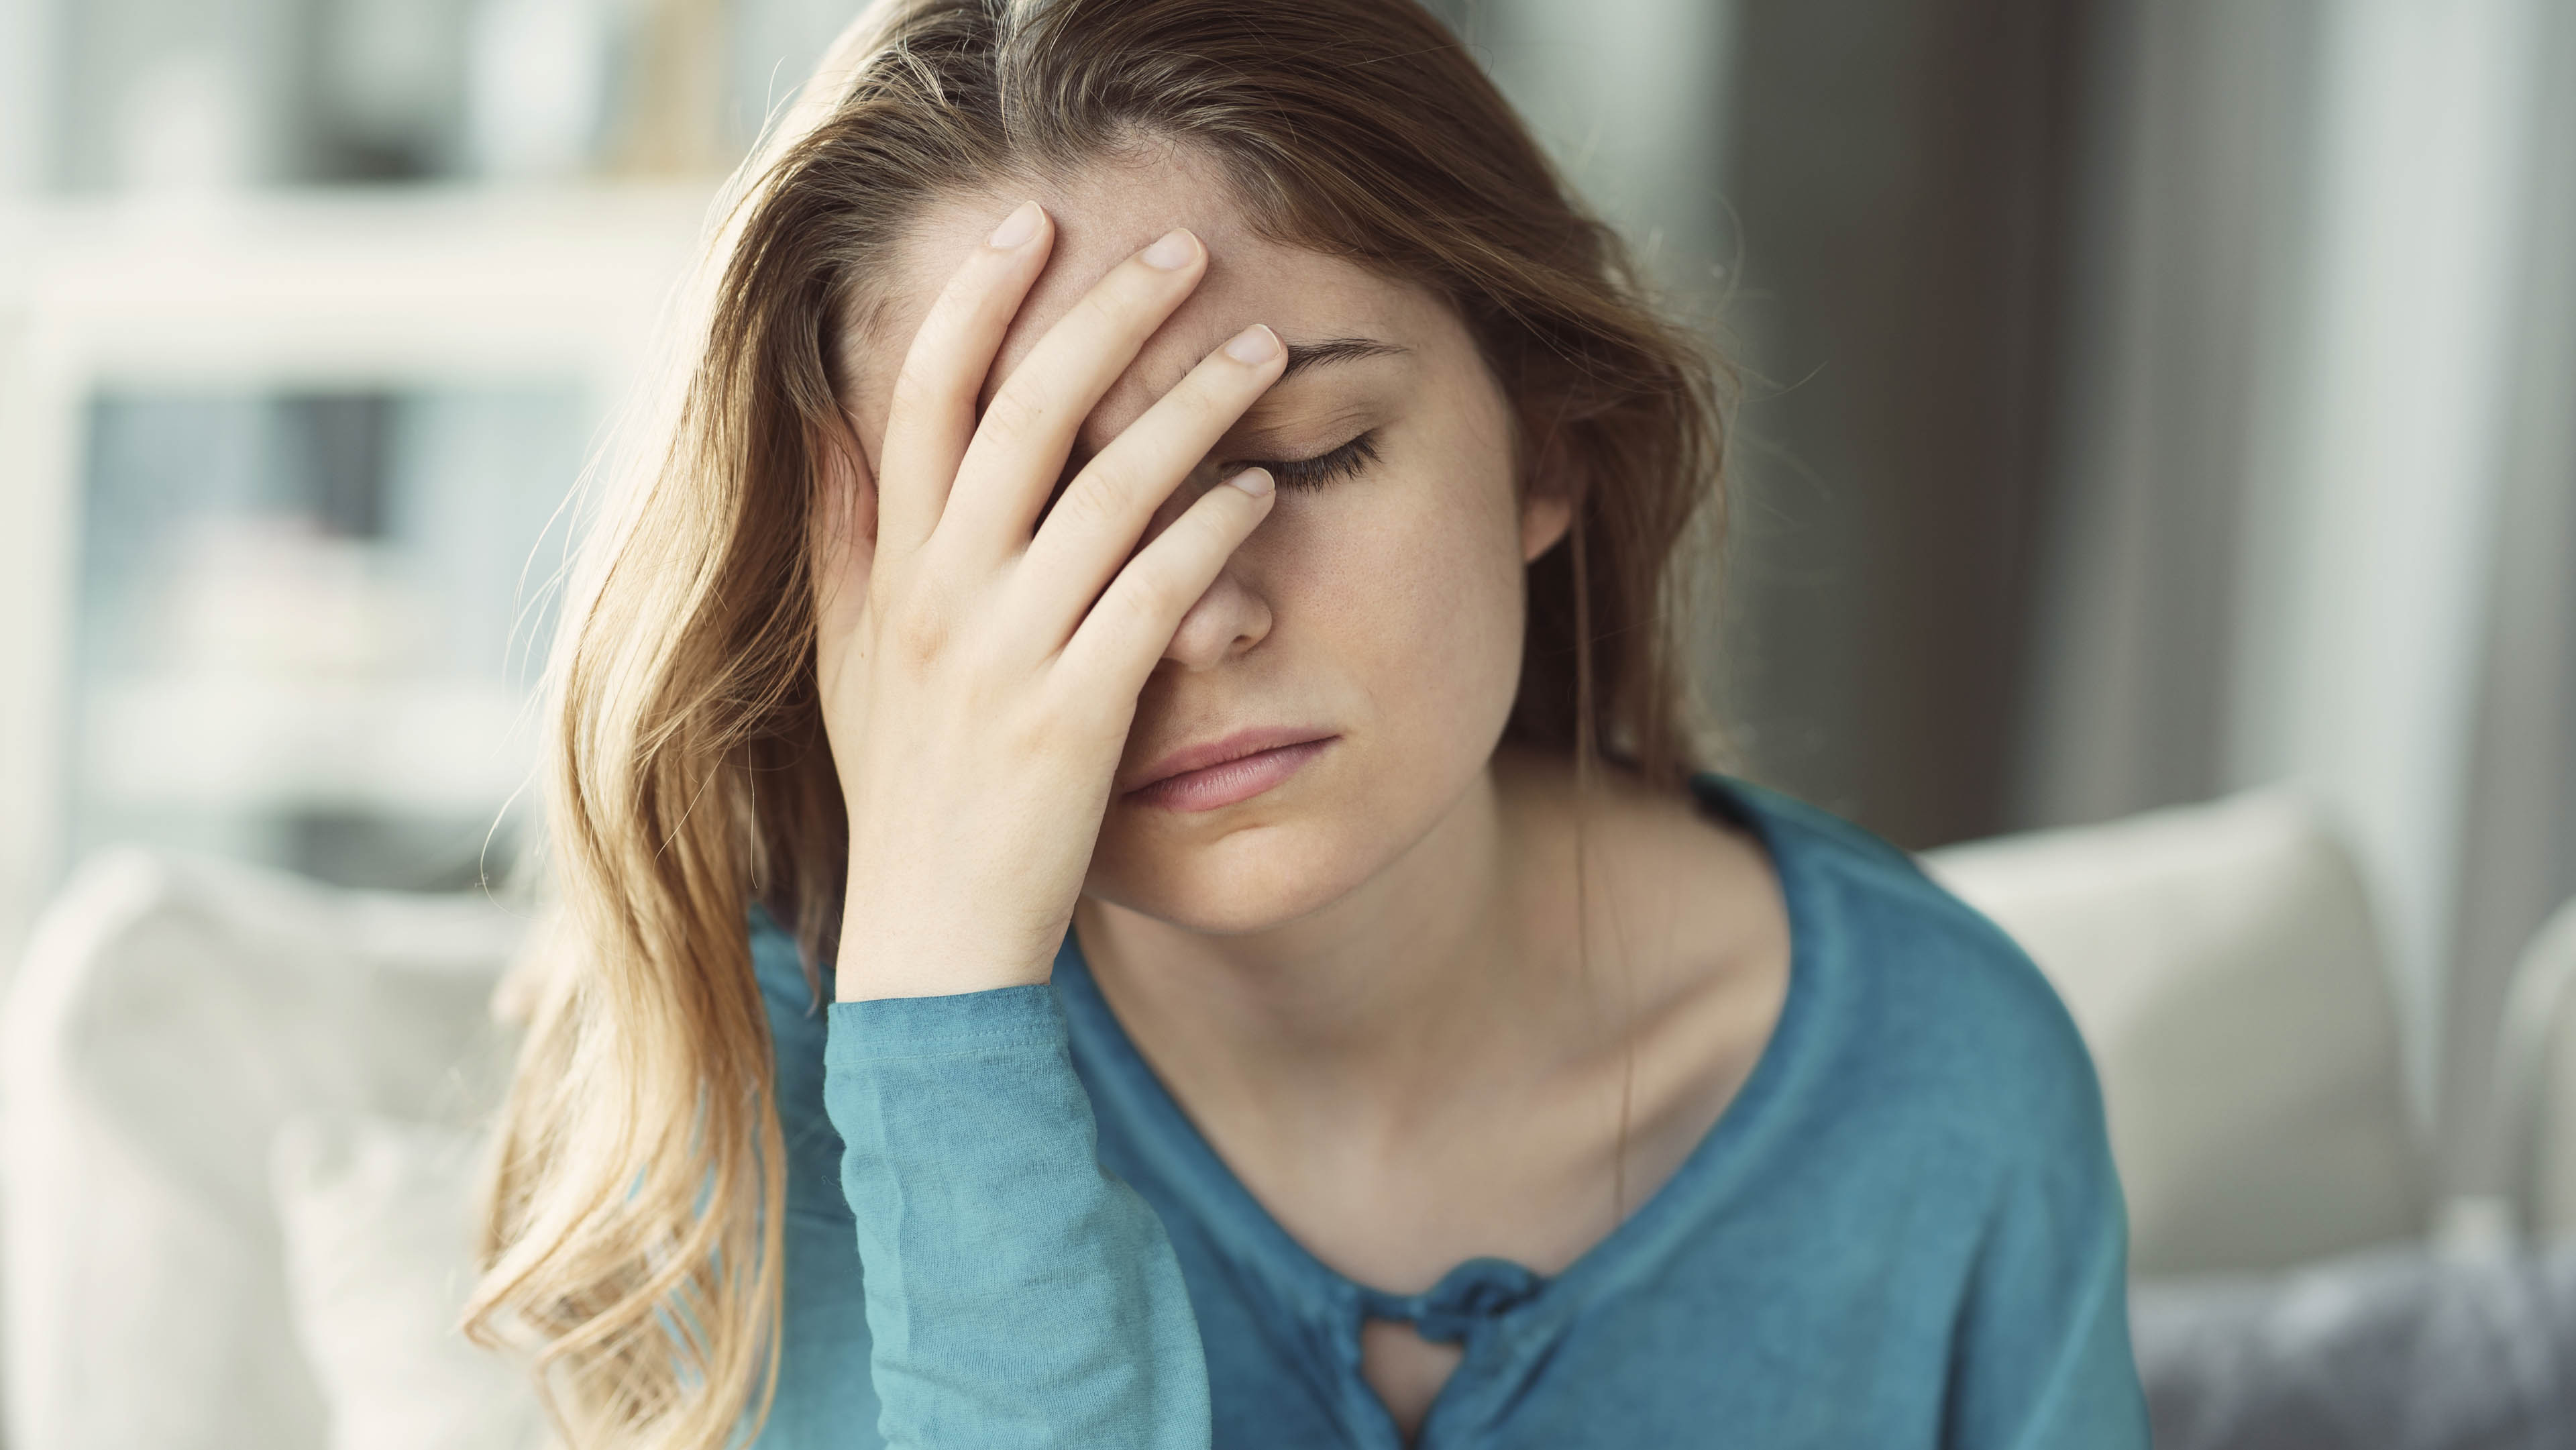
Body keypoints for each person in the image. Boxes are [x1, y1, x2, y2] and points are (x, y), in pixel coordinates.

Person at [467, 0, 2151, 1445]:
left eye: (1314, 452)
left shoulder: (1945, 1086)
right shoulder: (744, 1086)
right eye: (1047, 521)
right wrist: (944, 1018)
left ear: (1546, 444)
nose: (1200, 615)